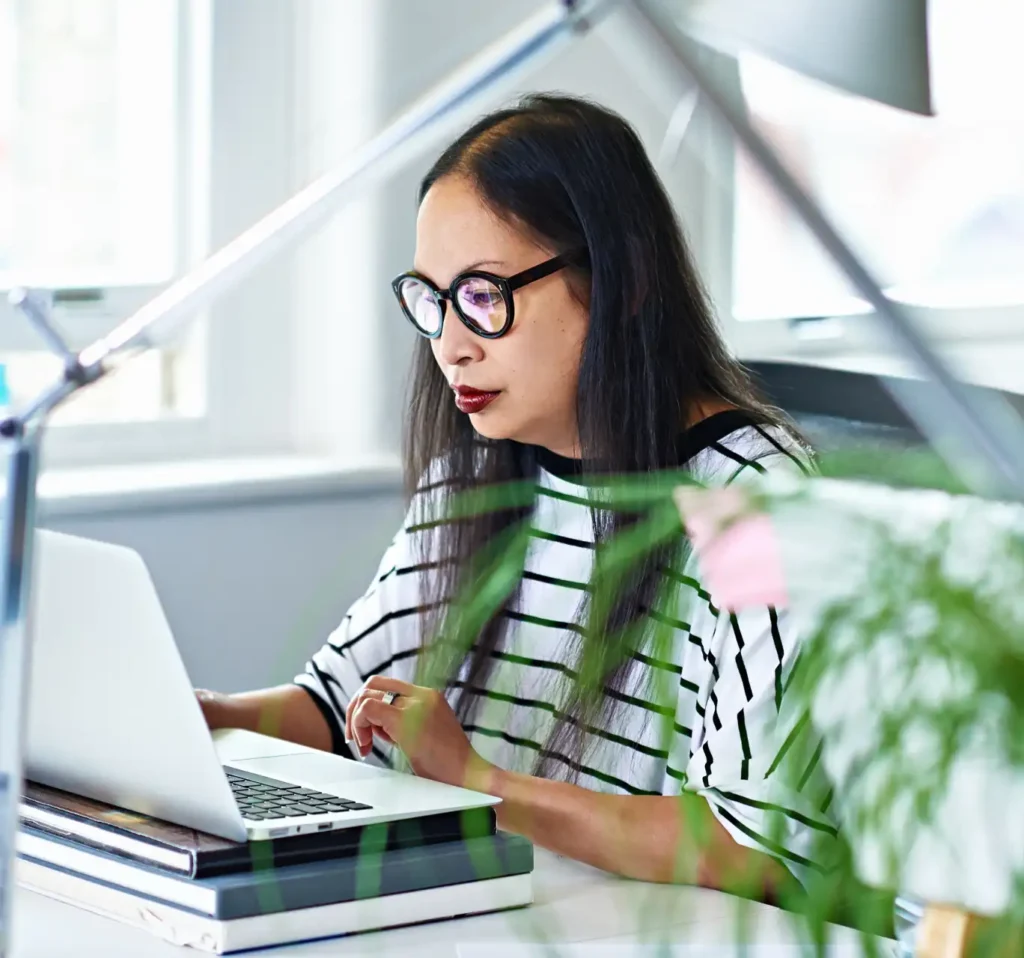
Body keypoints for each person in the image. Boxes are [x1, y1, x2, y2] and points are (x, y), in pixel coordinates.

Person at [198, 94, 833, 894]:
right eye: (433, 301)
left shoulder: (755, 509)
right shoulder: (479, 473)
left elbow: (749, 847)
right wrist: (201, 717)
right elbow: (335, 707)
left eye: (484, 297)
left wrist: (480, 782)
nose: (450, 347)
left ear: (623, 280)